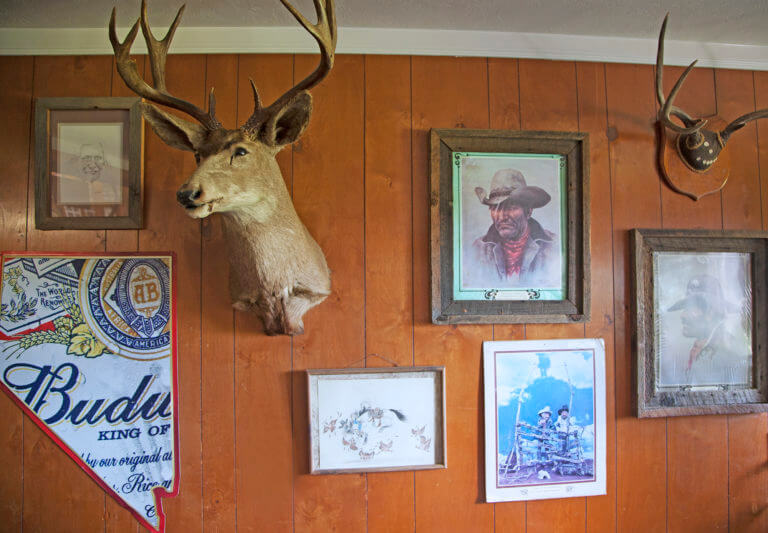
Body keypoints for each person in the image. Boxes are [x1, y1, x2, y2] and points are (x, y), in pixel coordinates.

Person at [467, 168, 558, 288]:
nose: (502, 216)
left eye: (511, 207)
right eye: (495, 208)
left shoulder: (553, 247)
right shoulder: (478, 250)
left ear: (528, 211)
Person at [666, 274, 751, 386]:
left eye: (691, 308)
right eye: (684, 308)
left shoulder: (729, 356)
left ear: (711, 312)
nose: (683, 315)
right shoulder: (697, 349)